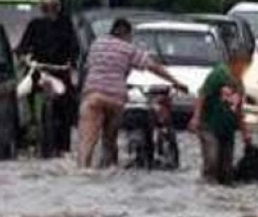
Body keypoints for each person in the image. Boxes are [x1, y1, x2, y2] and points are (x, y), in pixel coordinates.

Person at [77, 18, 188, 168]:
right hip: (115, 99)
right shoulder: (127, 48)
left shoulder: (97, 44)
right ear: (127, 34)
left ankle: (83, 167)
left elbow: (89, 67)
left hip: (92, 96)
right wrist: (176, 82)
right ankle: (109, 166)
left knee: (87, 140)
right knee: (110, 138)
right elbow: (153, 66)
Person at [15, 0, 80, 155]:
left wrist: (71, 63)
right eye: (46, 7)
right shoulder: (35, 25)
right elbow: (23, 46)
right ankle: (27, 129)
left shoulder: (66, 24)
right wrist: (23, 57)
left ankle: (63, 145)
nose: (49, 10)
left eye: (53, 6)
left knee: (68, 102)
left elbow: (74, 48)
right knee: (23, 94)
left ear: (58, 7)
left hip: (59, 71)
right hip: (38, 69)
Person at [189, 46, 253, 184]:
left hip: (227, 130)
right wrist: (196, 117)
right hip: (209, 126)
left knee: (226, 170)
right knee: (212, 160)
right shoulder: (218, 74)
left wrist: (245, 133)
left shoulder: (239, 84)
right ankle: (206, 188)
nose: (245, 69)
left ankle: (221, 197)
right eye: (243, 65)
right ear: (235, 62)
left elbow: (239, 110)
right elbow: (202, 94)